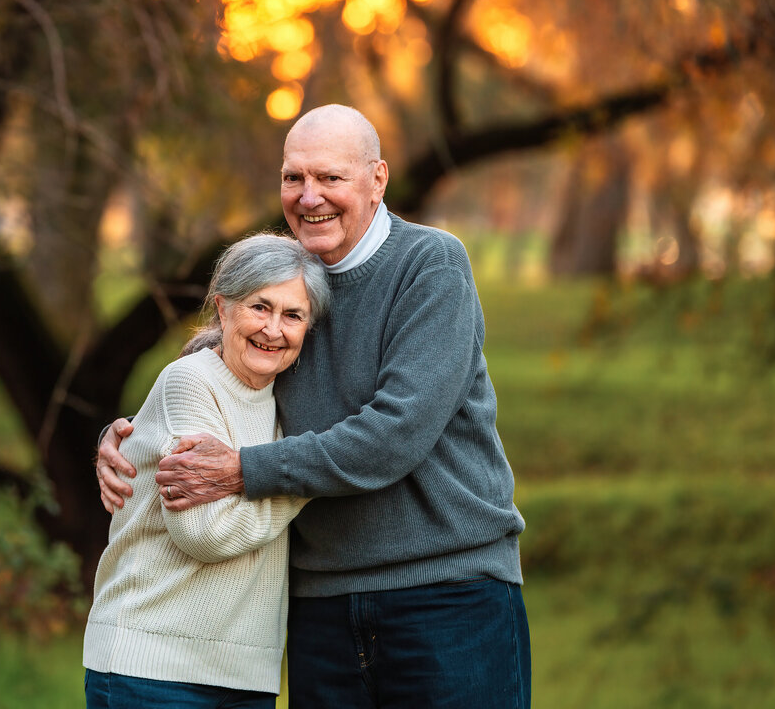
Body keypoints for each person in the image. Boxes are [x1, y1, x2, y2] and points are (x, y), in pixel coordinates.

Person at [98, 104, 530, 708]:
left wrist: (245, 469)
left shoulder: (431, 265)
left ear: (376, 181)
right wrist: (128, 438)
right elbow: (214, 366)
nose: (309, 197)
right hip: (320, 606)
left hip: (445, 593)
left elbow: (394, 435)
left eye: (330, 178)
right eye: (293, 178)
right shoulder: (285, 287)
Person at [83, 233, 331, 709]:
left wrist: (296, 468)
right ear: (223, 309)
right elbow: (205, 532)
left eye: (293, 315)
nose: (274, 329)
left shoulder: (289, 400)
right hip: (151, 663)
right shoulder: (192, 381)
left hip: (244, 673)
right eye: (260, 307)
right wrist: (310, 479)